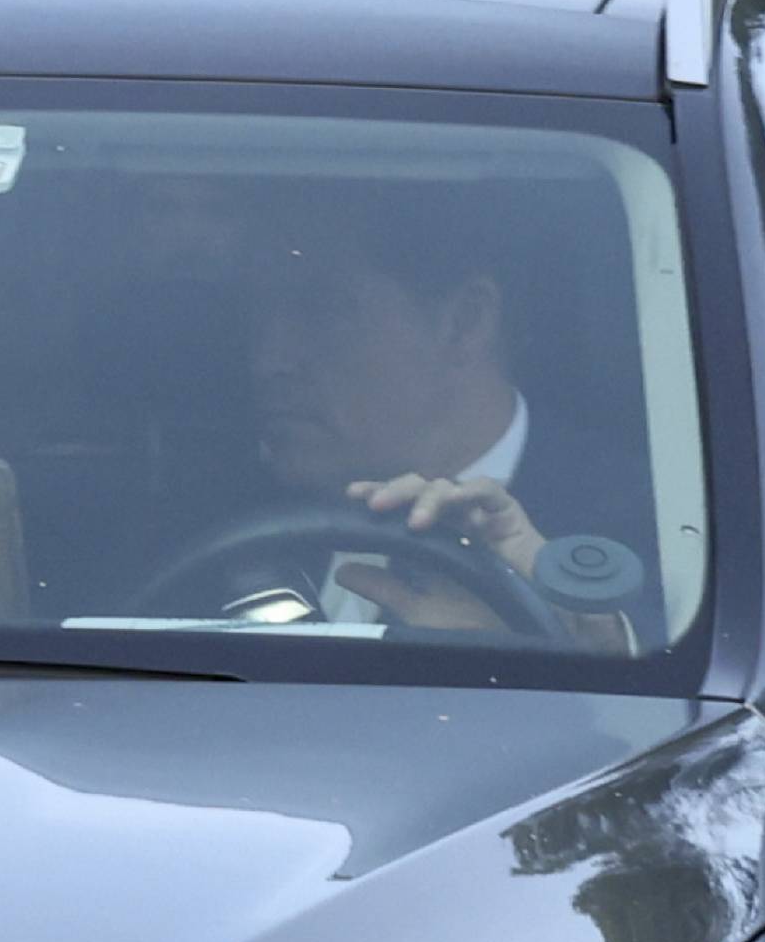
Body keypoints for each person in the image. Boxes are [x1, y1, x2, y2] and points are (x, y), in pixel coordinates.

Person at [238, 190, 637, 648]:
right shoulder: (228, 507)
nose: (269, 360)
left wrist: (582, 645)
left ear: (465, 322)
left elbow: (668, 656)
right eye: (255, 315)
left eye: (323, 310)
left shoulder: (663, 521)